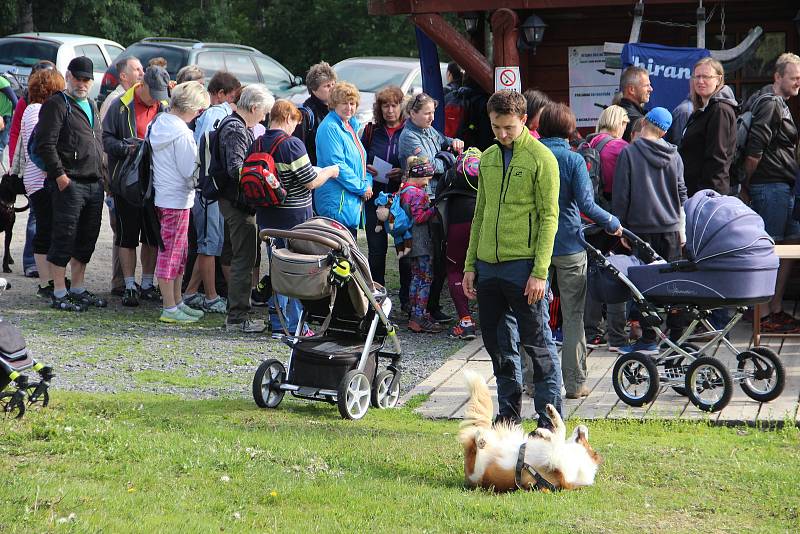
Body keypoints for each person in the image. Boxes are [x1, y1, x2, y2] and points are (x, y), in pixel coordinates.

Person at [462, 89, 562, 428]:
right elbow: (480, 214)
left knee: (538, 346)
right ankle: (508, 417)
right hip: (489, 268)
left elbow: (550, 217)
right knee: (499, 346)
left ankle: (549, 423)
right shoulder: (488, 158)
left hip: (524, 269)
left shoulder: (542, 158)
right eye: (495, 127)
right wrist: (469, 265)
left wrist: (540, 272)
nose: (502, 134)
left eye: (508, 127)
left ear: (523, 120)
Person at [539, 103, 622, 399]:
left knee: (533, 314)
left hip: (536, 246)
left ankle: (531, 381)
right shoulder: (574, 160)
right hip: (570, 243)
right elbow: (587, 206)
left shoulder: (532, 156)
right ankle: (574, 385)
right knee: (573, 315)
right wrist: (611, 221)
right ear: (570, 128)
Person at [256, 99, 338, 337]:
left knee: (276, 267)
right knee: (293, 271)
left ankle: (276, 320)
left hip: (266, 216)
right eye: (295, 122)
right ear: (288, 118)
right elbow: (310, 181)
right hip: (293, 219)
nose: (295, 128)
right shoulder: (292, 144)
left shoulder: (258, 141)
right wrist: (330, 172)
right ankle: (294, 324)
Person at [35, 56, 108, 312]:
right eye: (78, 78)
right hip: (70, 181)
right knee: (63, 236)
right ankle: (58, 290)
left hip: (93, 182)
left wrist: (103, 175)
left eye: (86, 79)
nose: (82, 83)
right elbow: (45, 144)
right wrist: (60, 176)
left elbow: (97, 142)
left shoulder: (92, 104)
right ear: (68, 76)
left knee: (87, 237)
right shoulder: (57, 104)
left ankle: (77, 287)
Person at [612, 107, 688, 354]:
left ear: (643, 122)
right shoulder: (674, 155)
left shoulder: (629, 153)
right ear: (665, 131)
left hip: (641, 229)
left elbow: (621, 195)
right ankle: (678, 334)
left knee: (644, 286)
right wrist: (682, 226)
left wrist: (621, 230)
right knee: (674, 283)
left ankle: (648, 339)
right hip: (671, 229)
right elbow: (681, 192)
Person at [739, 53, 800, 332]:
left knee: (789, 247)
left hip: (784, 188)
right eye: (794, 77)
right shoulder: (771, 104)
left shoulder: (783, 105)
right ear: (778, 77)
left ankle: (774, 309)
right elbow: (755, 148)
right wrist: (747, 186)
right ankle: (760, 316)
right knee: (770, 249)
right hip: (769, 186)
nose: (798, 82)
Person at [102, 65, 170, 307]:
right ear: (143, 85)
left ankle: (148, 283)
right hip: (126, 183)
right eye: (155, 94)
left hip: (154, 182)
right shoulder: (120, 105)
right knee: (127, 236)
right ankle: (130, 284)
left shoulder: (162, 107)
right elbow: (106, 139)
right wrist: (127, 148)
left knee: (152, 237)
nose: (158, 100)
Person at [146, 81, 210, 323]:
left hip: (165, 195)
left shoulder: (160, 123)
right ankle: (169, 307)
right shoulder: (182, 133)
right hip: (176, 198)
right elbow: (188, 170)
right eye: (199, 109)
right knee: (171, 255)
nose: (199, 114)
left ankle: (176, 301)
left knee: (177, 253)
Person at [398, 92, 464, 324]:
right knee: (424, 264)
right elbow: (428, 166)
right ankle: (417, 309)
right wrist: (449, 158)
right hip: (425, 200)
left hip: (436, 195)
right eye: (426, 113)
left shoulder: (429, 131)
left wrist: (452, 143)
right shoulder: (408, 138)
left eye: (433, 112)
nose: (431, 117)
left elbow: (443, 142)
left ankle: (428, 307)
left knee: (434, 260)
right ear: (412, 113)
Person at [183, 71, 242, 314]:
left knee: (212, 243)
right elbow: (205, 151)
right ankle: (210, 296)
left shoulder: (216, 114)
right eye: (232, 97)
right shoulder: (216, 115)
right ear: (220, 95)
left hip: (209, 189)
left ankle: (189, 292)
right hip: (209, 190)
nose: (235, 103)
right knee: (209, 244)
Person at [217, 83, 274, 333]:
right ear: (253, 107)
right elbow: (236, 169)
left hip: (235, 201)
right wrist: (265, 179)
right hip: (238, 203)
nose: (264, 117)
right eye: (263, 112)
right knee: (244, 258)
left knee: (241, 256)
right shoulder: (236, 130)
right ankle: (238, 317)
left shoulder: (235, 125)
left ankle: (238, 312)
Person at [582, 104, 630, 351]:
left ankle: (590, 331)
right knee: (616, 274)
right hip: (612, 219)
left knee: (592, 274)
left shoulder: (588, 144)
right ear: (619, 123)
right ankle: (617, 335)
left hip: (589, 219)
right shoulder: (620, 148)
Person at [99, 56, 145, 296]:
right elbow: (104, 142)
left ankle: (123, 280)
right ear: (124, 76)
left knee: (125, 232)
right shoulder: (115, 101)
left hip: (133, 182)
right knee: (122, 233)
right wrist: (110, 183)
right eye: (137, 69)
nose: (142, 73)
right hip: (119, 181)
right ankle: (119, 282)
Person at [7, 60, 58, 279]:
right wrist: (14, 164)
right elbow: (16, 133)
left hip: (35, 172)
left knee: (40, 219)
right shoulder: (29, 107)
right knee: (37, 219)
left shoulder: (38, 107)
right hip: (37, 173)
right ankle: (31, 261)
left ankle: (41, 265)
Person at [20, 68, 65, 298]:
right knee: (45, 228)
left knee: (44, 226)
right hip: (40, 177)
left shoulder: (30, 109)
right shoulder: (40, 110)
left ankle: (48, 278)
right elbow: (41, 145)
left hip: (33, 176)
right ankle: (46, 280)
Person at [361, 85, 406, 288]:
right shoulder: (371, 131)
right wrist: (366, 167)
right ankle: (376, 295)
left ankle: (407, 299)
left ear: (401, 107)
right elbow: (359, 158)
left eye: (394, 105)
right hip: (375, 198)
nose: (390, 110)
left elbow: (417, 162)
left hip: (400, 199)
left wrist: (402, 171)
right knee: (376, 251)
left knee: (404, 250)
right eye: (385, 106)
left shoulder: (409, 131)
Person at [314, 81, 371, 237]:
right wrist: (362, 187)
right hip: (336, 202)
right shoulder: (330, 127)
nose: (349, 107)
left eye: (352, 103)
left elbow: (358, 161)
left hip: (348, 200)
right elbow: (338, 165)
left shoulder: (350, 125)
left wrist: (367, 178)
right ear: (334, 103)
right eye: (344, 103)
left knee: (346, 255)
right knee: (337, 255)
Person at [679, 58, 738, 196]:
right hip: (694, 191)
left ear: (718, 79)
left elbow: (717, 159)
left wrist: (707, 197)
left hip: (707, 195)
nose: (700, 81)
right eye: (697, 76)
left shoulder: (719, 110)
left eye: (706, 76)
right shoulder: (703, 109)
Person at [400, 156, 442, 333]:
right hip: (421, 242)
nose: (427, 183)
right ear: (420, 175)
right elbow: (419, 218)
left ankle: (414, 314)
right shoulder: (417, 194)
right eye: (427, 179)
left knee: (416, 278)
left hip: (408, 242)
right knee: (425, 279)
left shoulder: (403, 190)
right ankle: (419, 318)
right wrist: (435, 208)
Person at [294, 62, 337, 165]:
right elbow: (298, 150)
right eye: (327, 86)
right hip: (315, 173)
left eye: (333, 84)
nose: (332, 89)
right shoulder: (305, 114)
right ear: (314, 89)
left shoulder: (336, 109)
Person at [618, 66, 652, 142]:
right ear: (631, 90)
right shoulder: (635, 120)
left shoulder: (618, 113)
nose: (650, 89)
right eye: (646, 85)